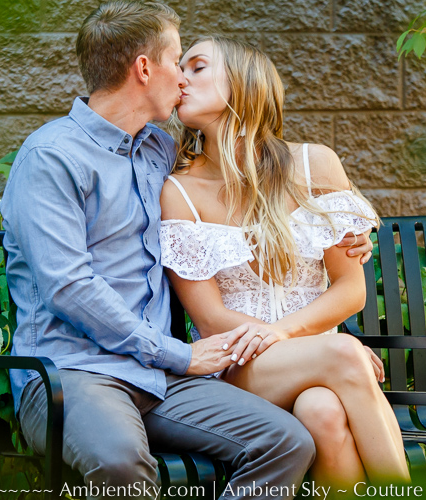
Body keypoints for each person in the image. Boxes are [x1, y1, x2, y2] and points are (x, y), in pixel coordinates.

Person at [0, 0, 375, 498]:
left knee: (285, 442)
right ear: (143, 68)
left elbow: (248, 176)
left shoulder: (158, 151)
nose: (182, 77)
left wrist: (344, 230)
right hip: (76, 374)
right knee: (119, 463)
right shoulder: (52, 158)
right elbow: (69, 287)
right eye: (179, 61)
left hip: (157, 376)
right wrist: (174, 353)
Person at [158, 35, 411, 491]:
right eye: (180, 67)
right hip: (236, 370)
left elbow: (350, 289)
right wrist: (319, 350)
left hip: (322, 362)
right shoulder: (179, 192)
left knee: (323, 412)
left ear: (242, 82)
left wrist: (287, 334)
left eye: (197, 66)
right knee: (343, 352)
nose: (180, 77)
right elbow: (212, 320)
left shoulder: (315, 165)